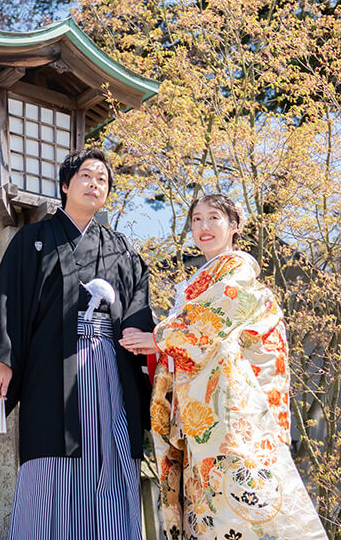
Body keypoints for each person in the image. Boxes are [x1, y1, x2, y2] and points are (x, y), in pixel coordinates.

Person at [0, 148, 154, 540]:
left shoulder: (121, 250)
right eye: (86, 175)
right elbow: (8, 298)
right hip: (51, 371)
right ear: (65, 185)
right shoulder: (34, 240)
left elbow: (138, 306)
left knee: (111, 450)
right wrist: (4, 360)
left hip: (109, 368)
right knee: (50, 457)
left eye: (102, 179)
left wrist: (142, 337)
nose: (94, 184)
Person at [120, 194, 328, 540]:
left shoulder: (237, 270)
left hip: (228, 406)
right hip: (199, 406)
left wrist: (158, 338)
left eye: (213, 218)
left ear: (234, 226)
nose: (203, 226)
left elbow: (214, 318)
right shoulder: (197, 280)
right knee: (205, 501)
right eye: (196, 219)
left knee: (237, 495)